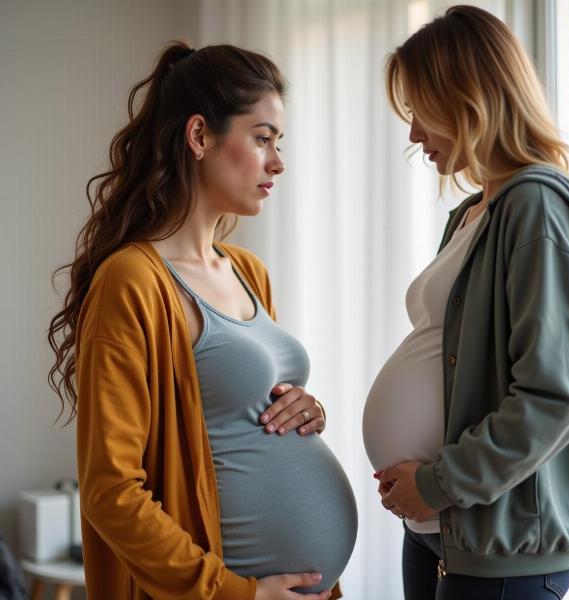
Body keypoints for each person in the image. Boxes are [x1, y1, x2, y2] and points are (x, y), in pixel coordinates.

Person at [47, 42, 357, 600]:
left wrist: (307, 410)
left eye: (278, 143)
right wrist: (239, 593)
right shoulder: (132, 281)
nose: (278, 162)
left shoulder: (248, 271)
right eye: (262, 139)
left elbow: (240, 418)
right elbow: (109, 489)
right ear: (199, 137)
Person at [362, 5, 569, 599]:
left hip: (497, 545)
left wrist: (440, 482)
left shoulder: (534, 206)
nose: (414, 135)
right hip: (442, 529)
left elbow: (554, 396)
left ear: (467, 100)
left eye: (420, 112)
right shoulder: (476, 213)